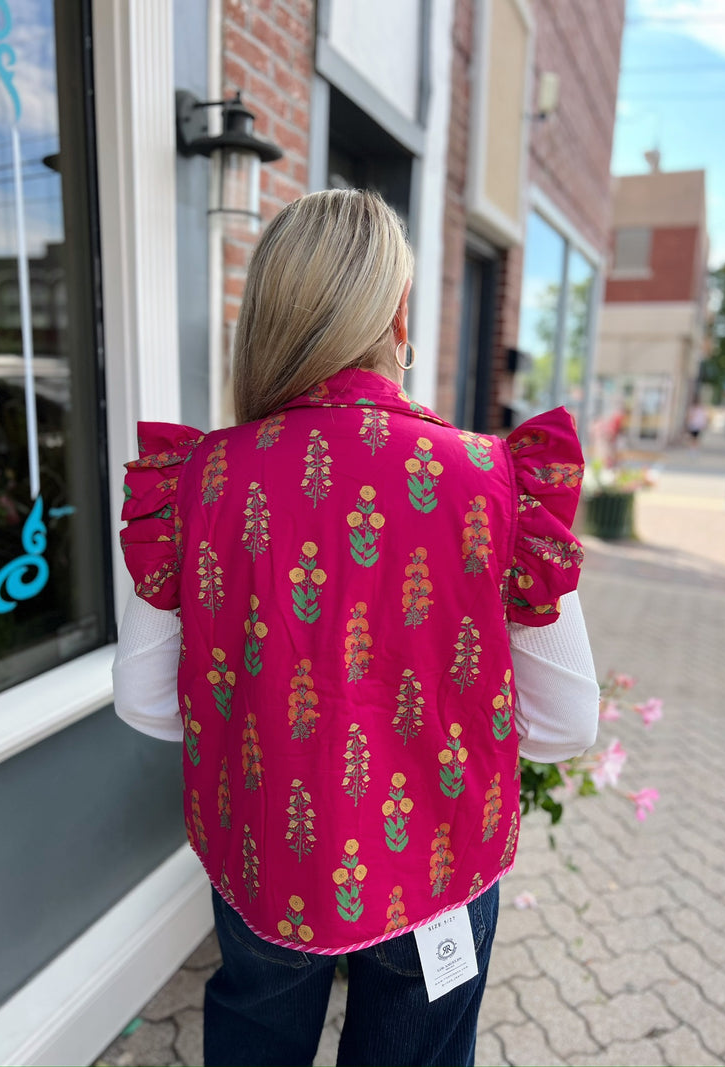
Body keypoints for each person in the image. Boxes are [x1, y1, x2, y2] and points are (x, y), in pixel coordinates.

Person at [113, 189, 600, 1067]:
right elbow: (567, 724)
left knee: (254, 1034)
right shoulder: (494, 483)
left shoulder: (197, 481)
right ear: (399, 315)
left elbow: (147, 703)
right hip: (440, 871)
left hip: (266, 859)